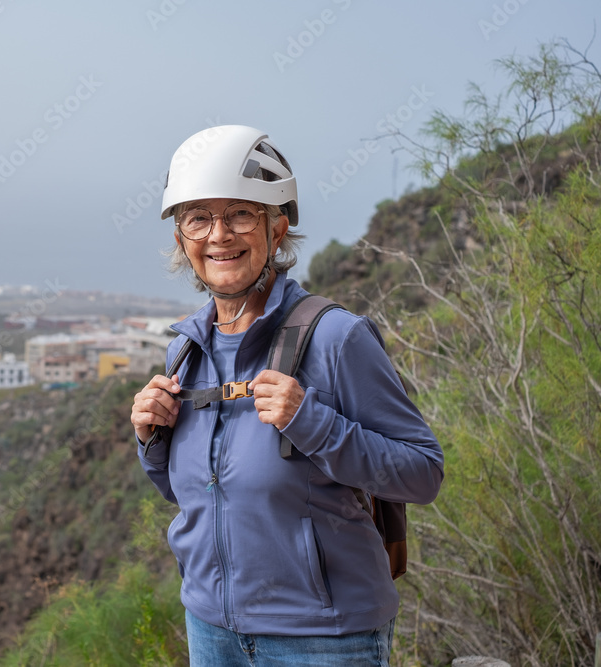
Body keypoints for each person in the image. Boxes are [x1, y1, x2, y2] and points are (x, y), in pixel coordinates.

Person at [130, 125, 444, 666]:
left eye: (240, 215)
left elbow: (423, 473)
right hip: (210, 630)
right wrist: (152, 441)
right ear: (182, 238)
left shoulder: (335, 337)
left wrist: (313, 423)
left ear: (277, 229)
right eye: (198, 218)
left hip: (323, 639)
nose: (218, 235)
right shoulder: (186, 349)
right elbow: (195, 497)